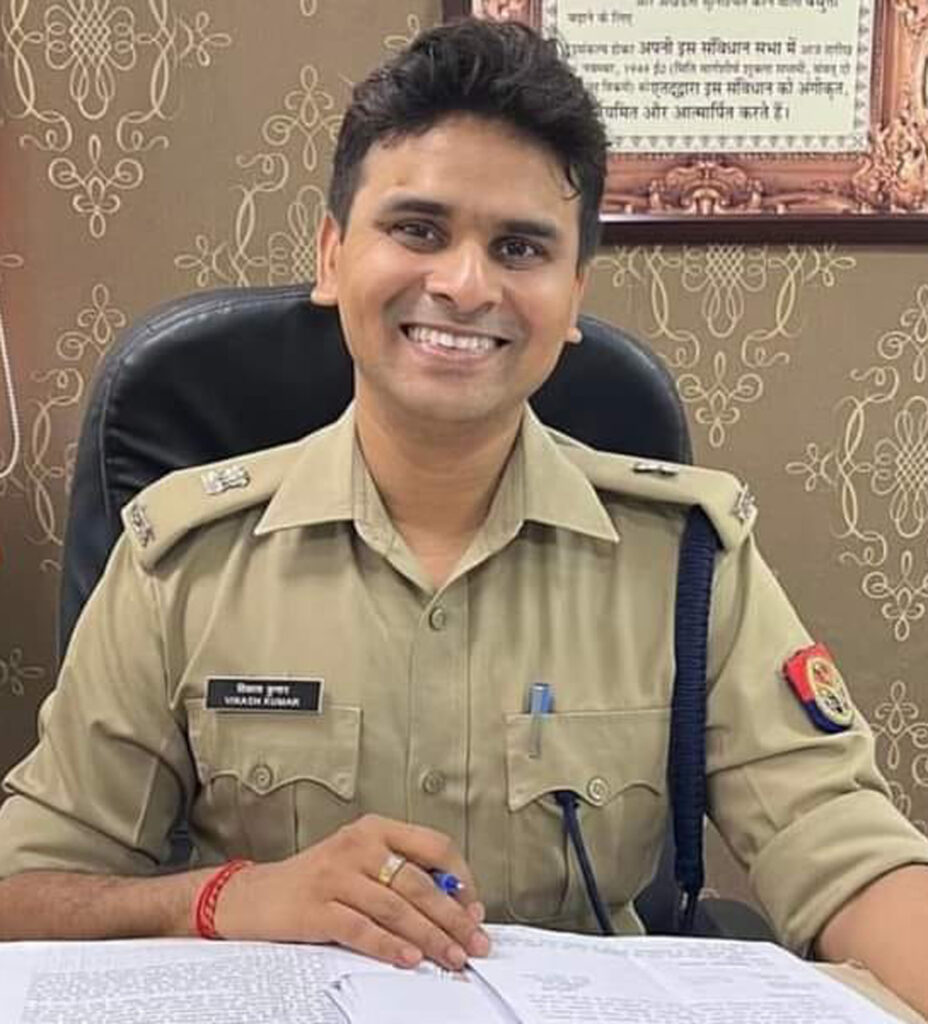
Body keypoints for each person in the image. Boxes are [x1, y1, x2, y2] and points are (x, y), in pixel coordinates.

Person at [1, 16, 928, 1014]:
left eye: (519, 247)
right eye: (417, 229)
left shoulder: (687, 560)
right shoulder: (184, 558)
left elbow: (849, 855)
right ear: (333, 255)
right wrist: (228, 896)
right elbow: (23, 895)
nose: (463, 283)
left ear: (571, 295)